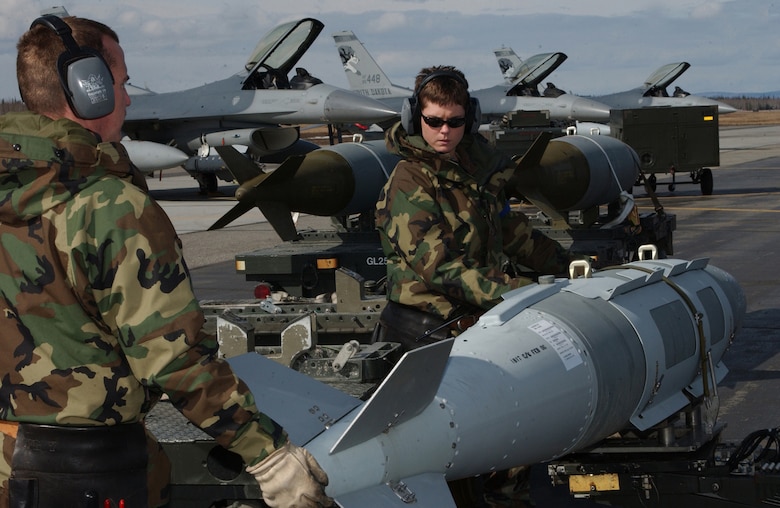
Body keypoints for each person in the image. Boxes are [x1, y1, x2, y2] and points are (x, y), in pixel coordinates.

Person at [0, 14, 331, 508]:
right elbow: (171, 355)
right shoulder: (110, 206)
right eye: (120, 83)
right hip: (92, 471)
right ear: (89, 89)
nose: (128, 98)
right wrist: (265, 453)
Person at [374, 65, 583, 352]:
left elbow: (515, 236)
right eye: (433, 121)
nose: (444, 131)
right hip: (422, 335)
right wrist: (523, 291)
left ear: (470, 120)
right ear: (414, 118)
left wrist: (576, 268)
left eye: (455, 122)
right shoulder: (410, 181)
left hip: (472, 324)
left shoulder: (476, 176)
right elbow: (441, 268)